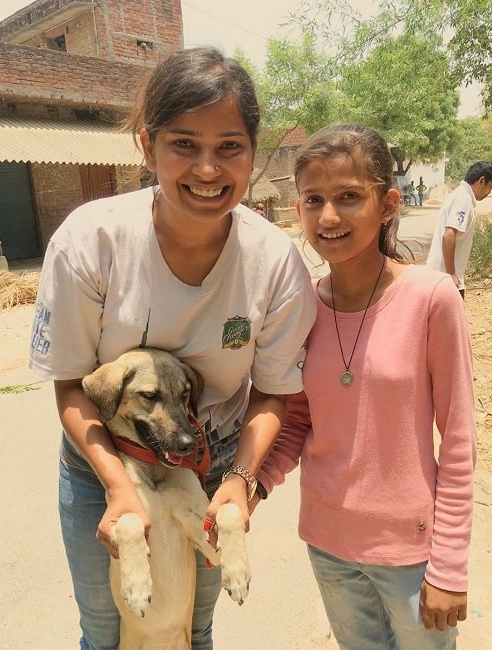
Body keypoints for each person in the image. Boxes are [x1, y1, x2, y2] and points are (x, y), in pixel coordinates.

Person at [28, 46, 316, 650]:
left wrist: (241, 478)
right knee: (107, 633)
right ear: (146, 145)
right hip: (102, 460)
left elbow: (271, 392)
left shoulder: (272, 262)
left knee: (192, 626)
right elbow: (71, 385)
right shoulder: (92, 241)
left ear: (252, 153)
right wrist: (116, 485)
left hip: (210, 464)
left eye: (229, 146)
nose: (208, 169)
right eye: (184, 144)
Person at [253, 124, 477, 650]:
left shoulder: (431, 298)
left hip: (410, 553)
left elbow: (460, 441)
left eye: (349, 197)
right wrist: (250, 486)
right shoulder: (301, 306)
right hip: (328, 545)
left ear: (388, 205)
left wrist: (448, 567)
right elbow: (298, 422)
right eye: (314, 200)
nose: (329, 216)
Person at [426, 161, 492, 298]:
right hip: (445, 280)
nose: (489, 192)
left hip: (439, 278)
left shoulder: (460, 196)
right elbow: (449, 235)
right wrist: (451, 274)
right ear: (481, 181)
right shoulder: (463, 200)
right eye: (490, 186)